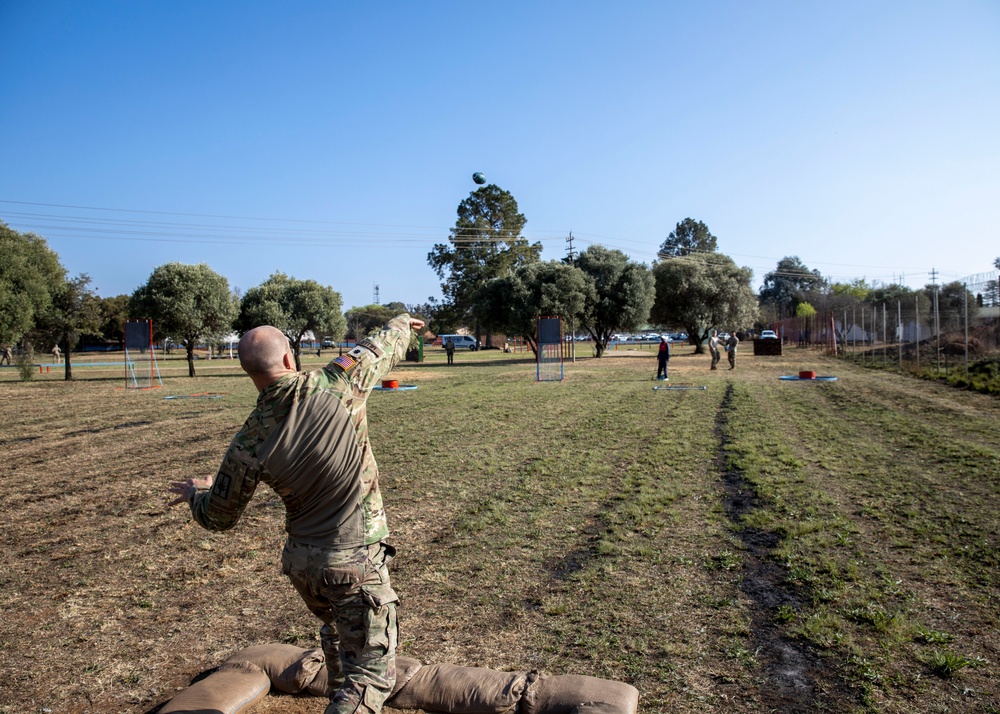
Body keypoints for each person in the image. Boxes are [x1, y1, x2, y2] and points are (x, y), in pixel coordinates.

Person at [168, 313, 424, 714]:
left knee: (339, 636)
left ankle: (337, 691)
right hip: (353, 560)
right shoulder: (338, 383)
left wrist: (195, 494)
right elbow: (382, 345)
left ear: (249, 372)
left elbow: (218, 515)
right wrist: (402, 323)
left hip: (305, 566)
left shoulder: (248, 439)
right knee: (370, 677)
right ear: (290, 359)